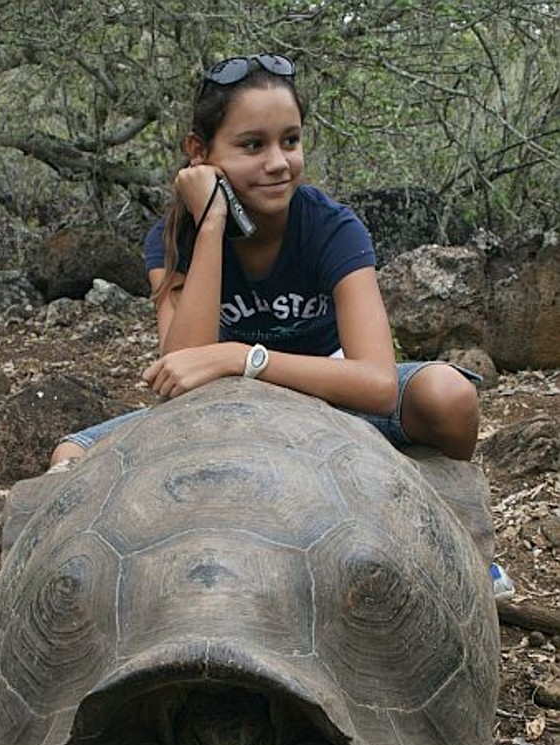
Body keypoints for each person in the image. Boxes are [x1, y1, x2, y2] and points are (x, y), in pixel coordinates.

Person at [50, 53, 513, 599]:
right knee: (68, 457)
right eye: (252, 145)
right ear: (199, 154)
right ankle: (83, 594)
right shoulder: (172, 238)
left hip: (329, 400)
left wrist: (244, 358)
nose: (279, 163)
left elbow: (377, 381)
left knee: (448, 393)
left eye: (289, 141)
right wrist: (213, 223)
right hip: (220, 410)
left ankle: (453, 538)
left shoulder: (329, 227)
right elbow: (182, 366)